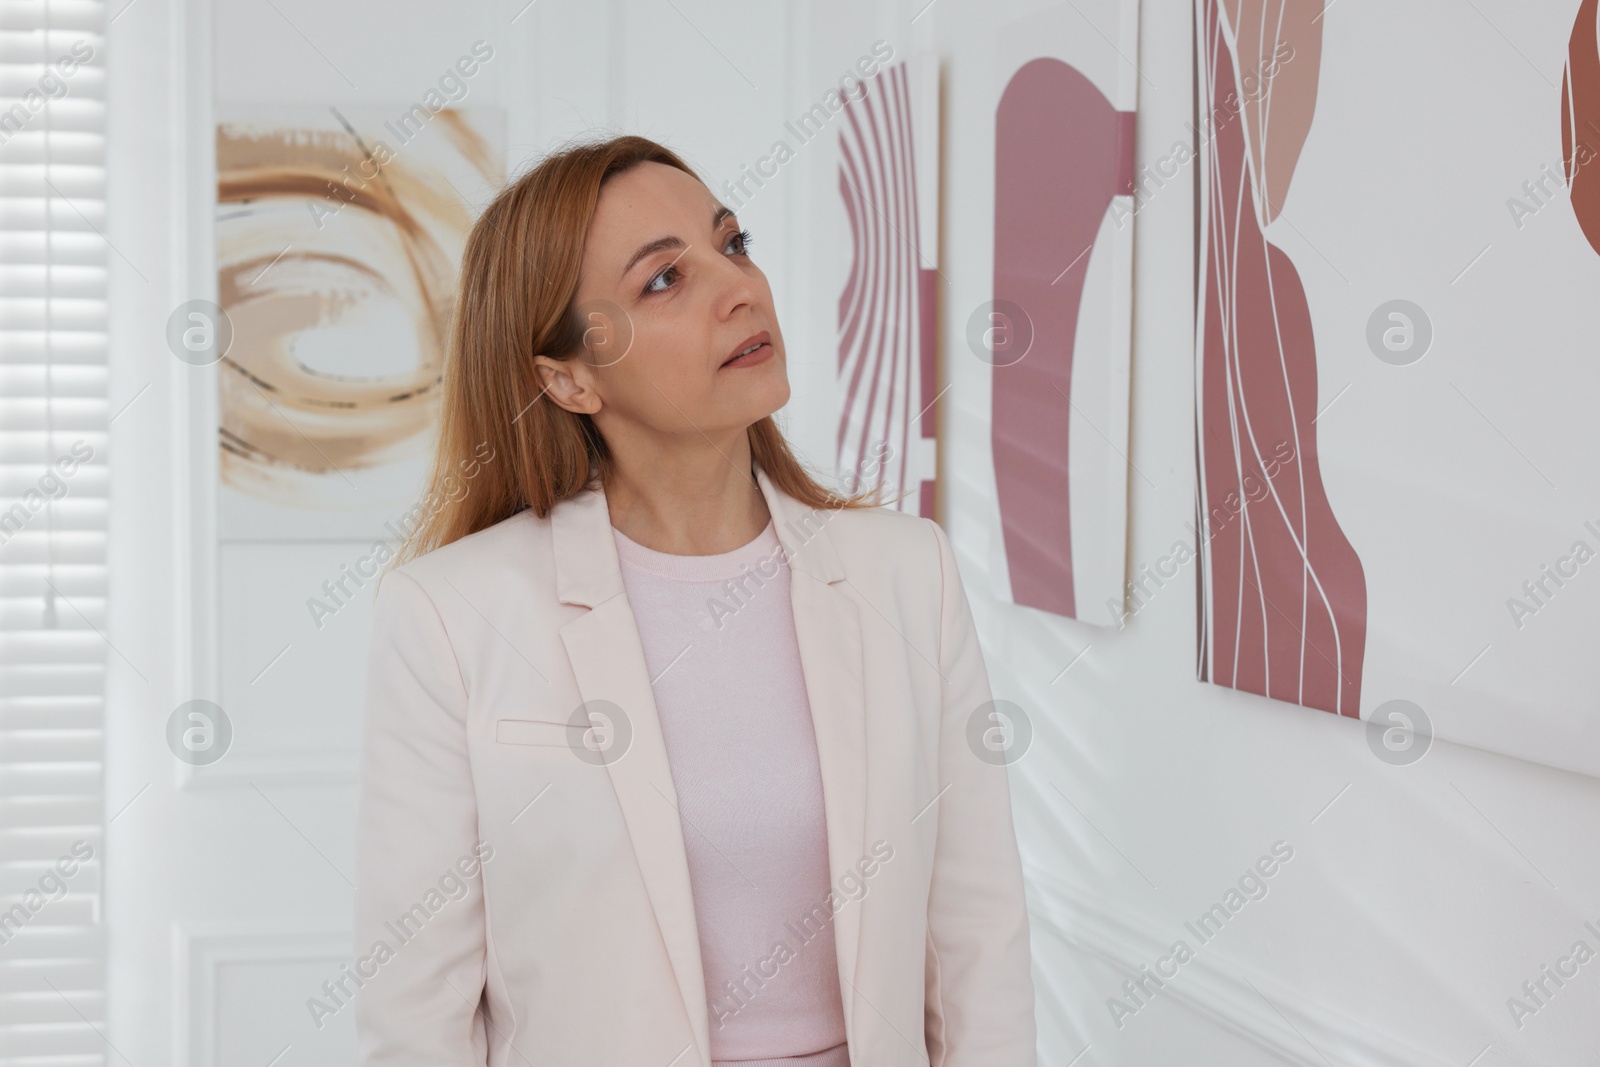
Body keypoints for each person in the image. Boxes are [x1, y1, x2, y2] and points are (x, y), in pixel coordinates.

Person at [351, 133, 1036, 1067]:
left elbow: (977, 944)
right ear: (568, 376)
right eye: (664, 281)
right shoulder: (452, 615)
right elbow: (415, 1010)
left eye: (733, 243)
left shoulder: (908, 575)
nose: (739, 288)